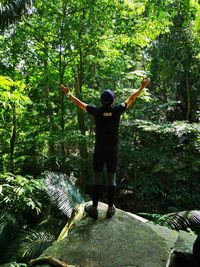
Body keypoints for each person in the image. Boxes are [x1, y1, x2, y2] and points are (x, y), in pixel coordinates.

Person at [61, 78, 150, 219]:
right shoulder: (117, 110)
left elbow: (80, 104)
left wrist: (68, 94)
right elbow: (131, 98)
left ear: (101, 100)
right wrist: (141, 87)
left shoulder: (96, 111)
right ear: (113, 100)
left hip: (99, 151)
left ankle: (94, 208)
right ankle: (110, 208)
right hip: (112, 151)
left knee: (96, 177)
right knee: (111, 179)